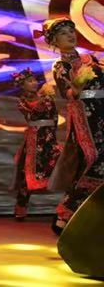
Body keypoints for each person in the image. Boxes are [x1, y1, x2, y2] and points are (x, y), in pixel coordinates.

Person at [43, 17, 104, 234]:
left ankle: (78, 217)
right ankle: (65, 214)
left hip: (101, 112)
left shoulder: (90, 59)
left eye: (71, 31)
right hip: (85, 118)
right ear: (54, 41)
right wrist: (77, 86)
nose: (70, 35)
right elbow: (68, 94)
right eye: (63, 33)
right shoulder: (60, 66)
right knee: (93, 162)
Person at [10, 67, 61, 221]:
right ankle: (21, 207)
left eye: (35, 80)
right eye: (30, 81)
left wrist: (52, 135)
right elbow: (32, 115)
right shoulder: (22, 102)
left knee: (59, 166)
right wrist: (45, 99)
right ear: (22, 85)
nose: (34, 83)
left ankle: (68, 207)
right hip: (33, 141)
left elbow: (55, 117)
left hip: (49, 138)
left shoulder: (47, 98)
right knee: (27, 174)